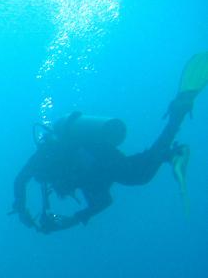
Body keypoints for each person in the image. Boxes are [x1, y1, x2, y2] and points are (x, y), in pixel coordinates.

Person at [12, 52, 208, 233]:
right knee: (137, 173)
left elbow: (20, 179)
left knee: (136, 175)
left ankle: (174, 127)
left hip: (95, 155)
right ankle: (171, 150)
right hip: (99, 159)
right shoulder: (74, 176)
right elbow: (104, 201)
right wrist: (69, 221)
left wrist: (21, 210)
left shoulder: (44, 156)